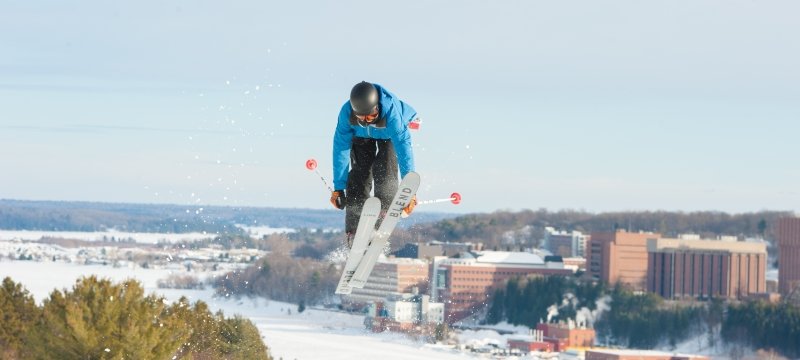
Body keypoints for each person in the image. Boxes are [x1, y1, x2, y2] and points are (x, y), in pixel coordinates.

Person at [330, 81, 419, 248]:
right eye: (361, 118)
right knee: (359, 173)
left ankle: (382, 218)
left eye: (370, 117)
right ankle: (355, 231)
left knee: (384, 169)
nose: (367, 121)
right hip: (361, 136)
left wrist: (410, 192)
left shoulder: (391, 112)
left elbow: (403, 147)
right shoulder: (346, 113)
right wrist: (338, 187)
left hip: (389, 135)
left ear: (377, 107)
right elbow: (340, 148)